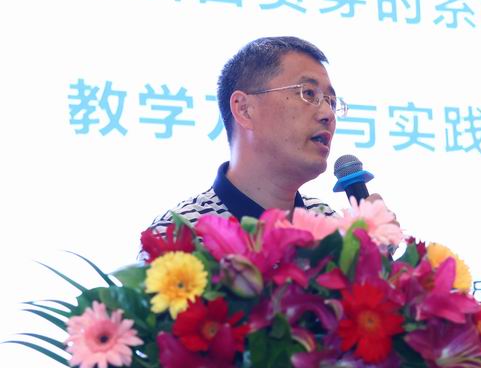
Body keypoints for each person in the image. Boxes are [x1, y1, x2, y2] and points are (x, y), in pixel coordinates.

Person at [146, 36, 346, 235]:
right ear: (244, 109)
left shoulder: (329, 225)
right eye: (309, 93)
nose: (328, 114)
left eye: (332, 102)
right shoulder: (178, 234)